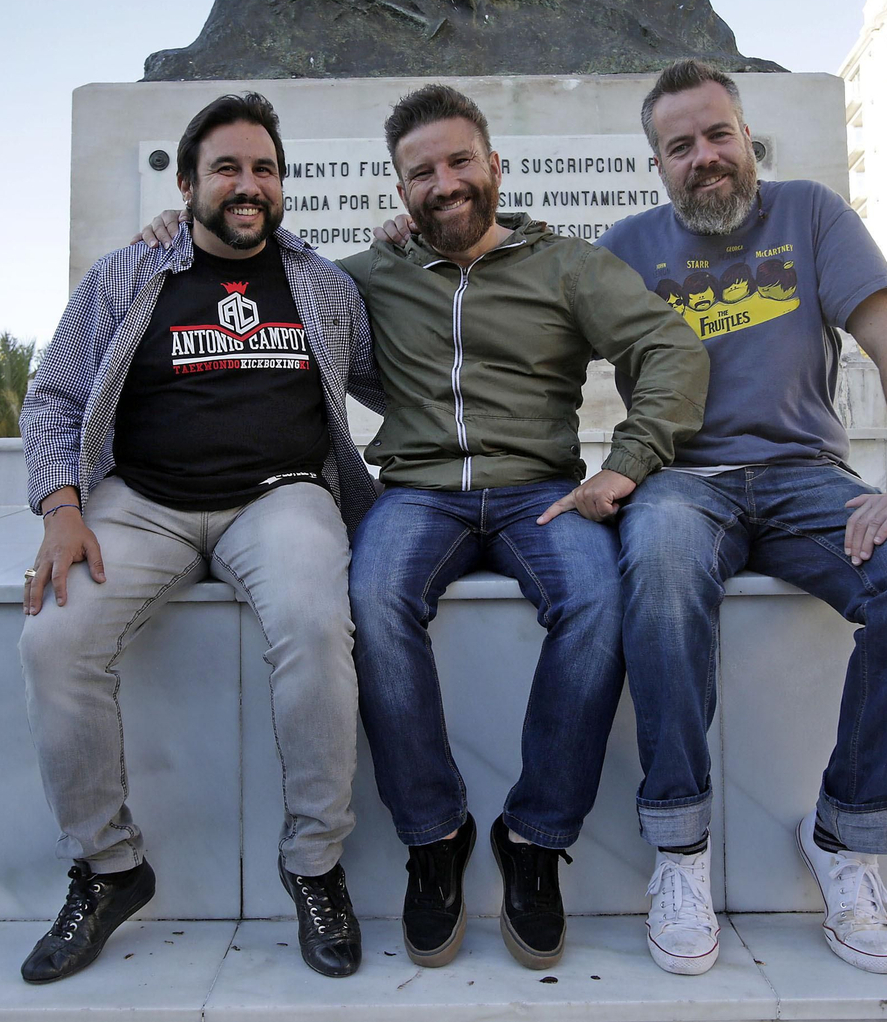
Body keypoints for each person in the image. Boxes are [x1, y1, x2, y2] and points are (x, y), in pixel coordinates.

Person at [140, 83, 708, 972]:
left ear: (494, 167)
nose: (444, 183)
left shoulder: (566, 265)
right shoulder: (366, 276)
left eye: (458, 162)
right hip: (419, 492)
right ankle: (433, 834)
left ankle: (534, 836)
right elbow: (251, 263)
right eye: (422, 172)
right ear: (399, 191)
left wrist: (626, 463)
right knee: (370, 594)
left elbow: (669, 349)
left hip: (540, 491)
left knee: (598, 600)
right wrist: (165, 236)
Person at [601, 60, 887, 977]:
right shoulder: (623, 248)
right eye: (679, 145)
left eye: (717, 135)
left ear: (746, 136)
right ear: (657, 163)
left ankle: (845, 835)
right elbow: (517, 319)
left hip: (806, 477)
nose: (704, 157)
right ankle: (681, 848)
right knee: (660, 564)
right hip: (684, 480)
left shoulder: (812, 215)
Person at [17, 92, 385, 984]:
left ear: (283, 186)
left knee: (312, 625)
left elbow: (393, 374)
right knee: (56, 640)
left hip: (283, 495)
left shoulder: (325, 287)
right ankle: (109, 868)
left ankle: (314, 864)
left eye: (263, 168)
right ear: (188, 183)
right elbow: (54, 397)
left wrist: (409, 254)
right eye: (226, 167)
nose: (246, 184)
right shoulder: (124, 275)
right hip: (142, 500)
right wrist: (61, 506)